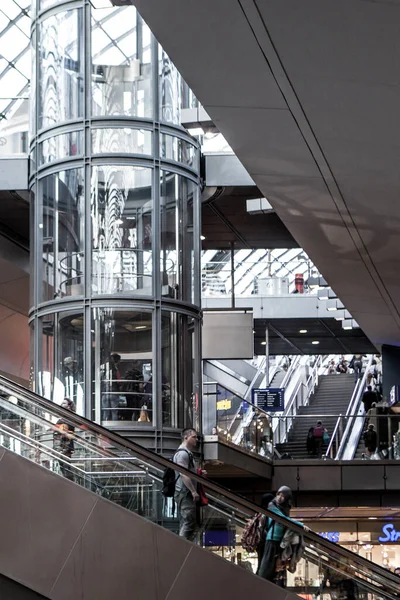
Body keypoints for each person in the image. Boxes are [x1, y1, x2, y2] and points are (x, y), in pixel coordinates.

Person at [257, 486, 305, 583]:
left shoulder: (285, 507)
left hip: (281, 541)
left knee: (275, 568)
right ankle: (260, 584)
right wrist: (300, 525)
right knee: (265, 567)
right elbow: (283, 519)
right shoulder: (272, 505)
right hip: (271, 539)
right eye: (278, 494)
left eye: (283, 495)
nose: (280, 497)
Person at [173, 428, 206, 541]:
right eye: (194, 437)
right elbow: (183, 473)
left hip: (185, 493)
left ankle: (184, 546)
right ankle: (181, 548)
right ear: (186, 437)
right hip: (185, 493)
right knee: (188, 522)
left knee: (188, 522)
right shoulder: (182, 453)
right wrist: (193, 491)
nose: (196, 439)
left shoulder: (187, 453)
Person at [53, 398, 76, 481]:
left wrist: (59, 429)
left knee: (66, 466)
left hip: (67, 445)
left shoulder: (70, 417)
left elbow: (69, 429)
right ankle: (68, 481)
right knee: (62, 465)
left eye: (64, 403)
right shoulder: (62, 417)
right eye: (62, 403)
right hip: (60, 445)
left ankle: (70, 482)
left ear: (69, 406)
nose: (62, 404)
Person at [256, 493, 274, 571]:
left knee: (261, 563)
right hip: (265, 543)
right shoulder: (266, 515)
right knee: (265, 565)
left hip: (260, 543)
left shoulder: (260, 513)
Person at [101, 353, 122, 421]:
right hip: (114, 392)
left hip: (105, 392)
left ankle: (104, 426)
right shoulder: (115, 369)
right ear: (117, 361)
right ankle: (114, 425)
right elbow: (119, 382)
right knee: (114, 411)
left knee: (106, 411)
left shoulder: (102, 368)